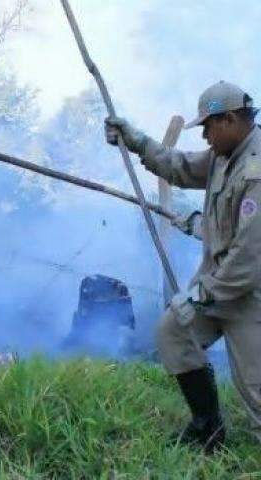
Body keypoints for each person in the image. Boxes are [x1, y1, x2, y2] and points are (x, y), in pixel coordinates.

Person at [105, 81, 261, 453]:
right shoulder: (224, 156)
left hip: (249, 294)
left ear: (229, 120)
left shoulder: (257, 171)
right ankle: (207, 428)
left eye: (208, 126)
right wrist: (137, 140)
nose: (205, 136)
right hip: (218, 285)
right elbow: (179, 166)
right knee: (174, 333)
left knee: (256, 389)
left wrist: (201, 294)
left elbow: (250, 258)